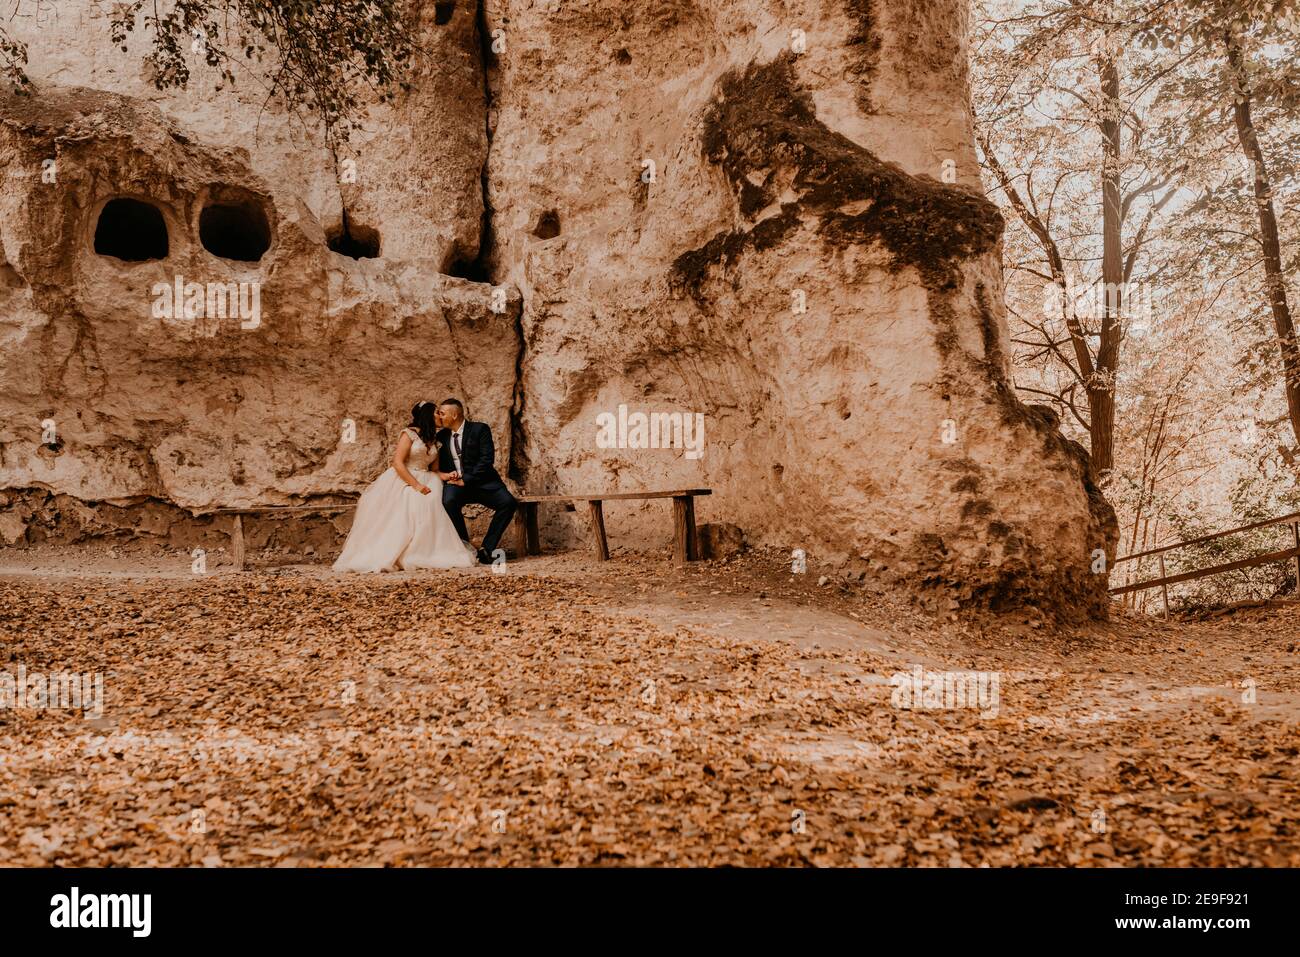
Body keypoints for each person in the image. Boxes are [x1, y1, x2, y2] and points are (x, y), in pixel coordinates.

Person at [332, 402, 475, 572]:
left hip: (428, 478)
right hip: (405, 477)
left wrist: (448, 475)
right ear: (428, 415)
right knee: (411, 501)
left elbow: (435, 470)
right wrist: (416, 485)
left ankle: (423, 551)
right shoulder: (409, 434)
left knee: (432, 503)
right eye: (437, 413)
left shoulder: (434, 440)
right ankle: (399, 553)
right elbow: (397, 463)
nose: (440, 416)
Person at [434, 398, 517, 565]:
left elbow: (487, 459)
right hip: (455, 485)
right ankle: (465, 547)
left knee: (508, 502)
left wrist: (466, 480)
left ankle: (487, 549)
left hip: (483, 482)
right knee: (448, 501)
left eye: (442, 413)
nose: (440, 417)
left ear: (455, 414)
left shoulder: (480, 429)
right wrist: (451, 477)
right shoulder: (441, 436)